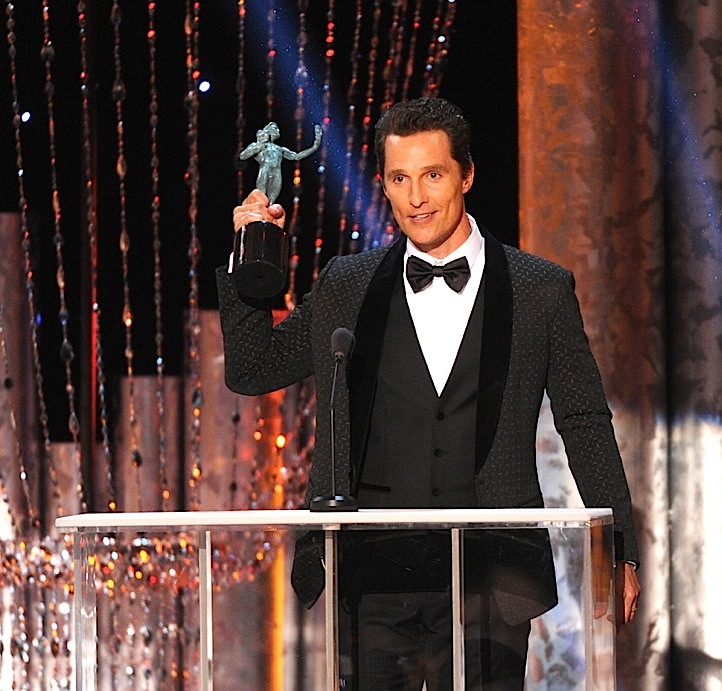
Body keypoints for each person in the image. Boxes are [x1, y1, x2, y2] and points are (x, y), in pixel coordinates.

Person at [218, 97, 639, 689]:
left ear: (467, 176)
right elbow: (252, 369)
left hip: (492, 578)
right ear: (385, 186)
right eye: (400, 179)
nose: (416, 197)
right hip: (372, 576)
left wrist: (616, 547)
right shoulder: (348, 285)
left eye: (433, 175)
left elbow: (584, 419)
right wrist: (252, 256)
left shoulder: (539, 289)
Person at [239, 121, 323, 204]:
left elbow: (297, 156)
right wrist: (258, 146)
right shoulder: (259, 145)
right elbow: (242, 156)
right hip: (265, 168)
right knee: (261, 197)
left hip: (277, 171)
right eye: (275, 129)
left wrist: (315, 146)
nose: (278, 131)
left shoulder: (280, 149)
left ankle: (268, 209)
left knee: (272, 200)